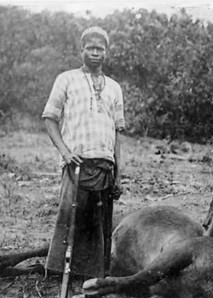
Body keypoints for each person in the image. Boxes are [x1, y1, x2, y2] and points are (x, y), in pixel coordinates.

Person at [42, 26, 125, 279]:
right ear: (82, 51)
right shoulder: (66, 79)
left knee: (97, 224)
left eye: (100, 49)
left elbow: (118, 133)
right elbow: (49, 119)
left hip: (105, 167)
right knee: (70, 218)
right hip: (76, 164)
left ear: (107, 53)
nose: (95, 53)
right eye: (90, 48)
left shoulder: (114, 87)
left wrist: (119, 174)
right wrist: (66, 153)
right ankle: (59, 275)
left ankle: (91, 277)